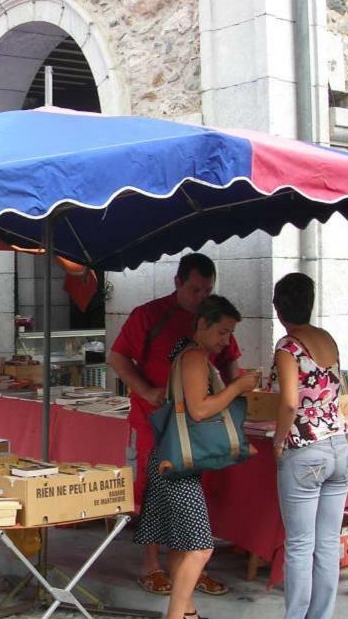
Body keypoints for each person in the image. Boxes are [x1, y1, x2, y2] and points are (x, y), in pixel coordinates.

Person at [108, 253, 240, 596]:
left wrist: (234, 396)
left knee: (195, 492)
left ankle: (189, 566)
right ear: (178, 282)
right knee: (155, 492)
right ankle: (152, 565)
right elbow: (118, 357)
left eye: (207, 290)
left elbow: (230, 361)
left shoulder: (212, 319)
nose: (201, 297)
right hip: (155, 420)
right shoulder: (149, 315)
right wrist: (146, 389)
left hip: (198, 426)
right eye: (195, 289)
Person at [134, 296, 257, 619]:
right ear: (202, 324)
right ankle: (176, 615)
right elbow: (200, 409)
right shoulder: (193, 357)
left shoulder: (187, 353)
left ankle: (187, 612)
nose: (225, 341)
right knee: (201, 547)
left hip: (170, 459)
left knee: (182, 543)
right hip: (176, 465)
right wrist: (237, 387)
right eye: (222, 332)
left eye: (229, 334)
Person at [269, 272, 348, 619]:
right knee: (328, 541)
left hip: (306, 448)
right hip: (341, 447)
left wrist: (278, 439)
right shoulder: (327, 339)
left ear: (278, 308)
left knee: (301, 544)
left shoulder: (288, 346)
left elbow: (289, 403)